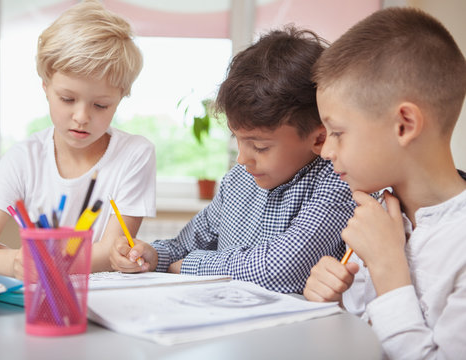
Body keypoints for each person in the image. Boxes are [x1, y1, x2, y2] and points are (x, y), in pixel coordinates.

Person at [110, 27, 355, 294]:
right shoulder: (239, 181)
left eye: (260, 146)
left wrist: (188, 266)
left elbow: (281, 269)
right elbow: (184, 244)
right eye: (236, 138)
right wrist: (152, 255)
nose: (242, 158)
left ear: (319, 139)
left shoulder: (338, 181)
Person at [303, 7, 466, 359]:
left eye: (338, 132)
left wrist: (389, 267)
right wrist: (334, 307)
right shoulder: (379, 217)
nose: (326, 151)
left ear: (404, 125)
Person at [0, 0, 156, 279]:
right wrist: (16, 261)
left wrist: (9, 259)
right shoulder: (23, 157)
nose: (82, 116)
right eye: (67, 99)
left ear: (121, 98)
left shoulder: (135, 153)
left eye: (101, 105)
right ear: (45, 87)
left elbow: (111, 253)